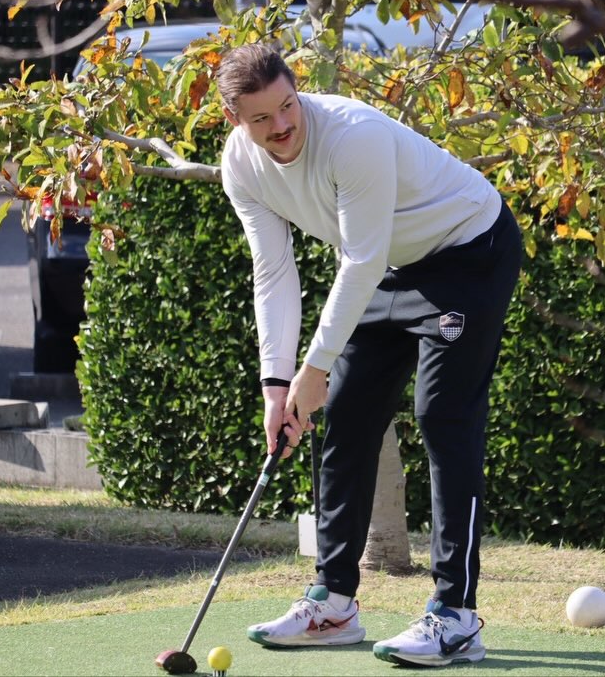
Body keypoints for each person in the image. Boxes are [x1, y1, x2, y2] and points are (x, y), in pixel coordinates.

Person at [216, 43, 521, 668]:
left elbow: (357, 259)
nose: (281, 126)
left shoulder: (351, 135)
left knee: (441, 415)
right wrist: (279, 385)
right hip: (391, 264)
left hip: (467, 250)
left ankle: (456, 615)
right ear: (234, 122)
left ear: (297, 92)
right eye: (262, 119)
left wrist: (315, 366)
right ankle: (334, 603)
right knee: (348, 416)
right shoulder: (240, 166)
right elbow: (274, 272)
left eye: (288, 106)